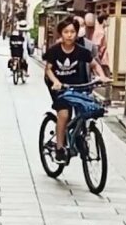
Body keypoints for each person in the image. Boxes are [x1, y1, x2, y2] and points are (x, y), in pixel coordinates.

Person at [44, 18, 108, 162]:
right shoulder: (54, 51)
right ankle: (60, 148)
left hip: (77, 85)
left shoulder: (81, 51)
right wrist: (55, 81)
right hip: (59, 86)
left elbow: (94, 65)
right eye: (66, 32)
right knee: (64, 114)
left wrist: (102, 76)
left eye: (72, 31)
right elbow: (48, 69)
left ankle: (79, 136)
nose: (69, 35)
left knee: (86, 108)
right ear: (61, 33)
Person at [85, 11, 111, 76]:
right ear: (104, 20)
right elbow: (96, 47)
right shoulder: (100, 31)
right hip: (101, 59)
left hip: (99, 57)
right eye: (108, 20)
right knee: (104, 76)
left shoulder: (97, 28)